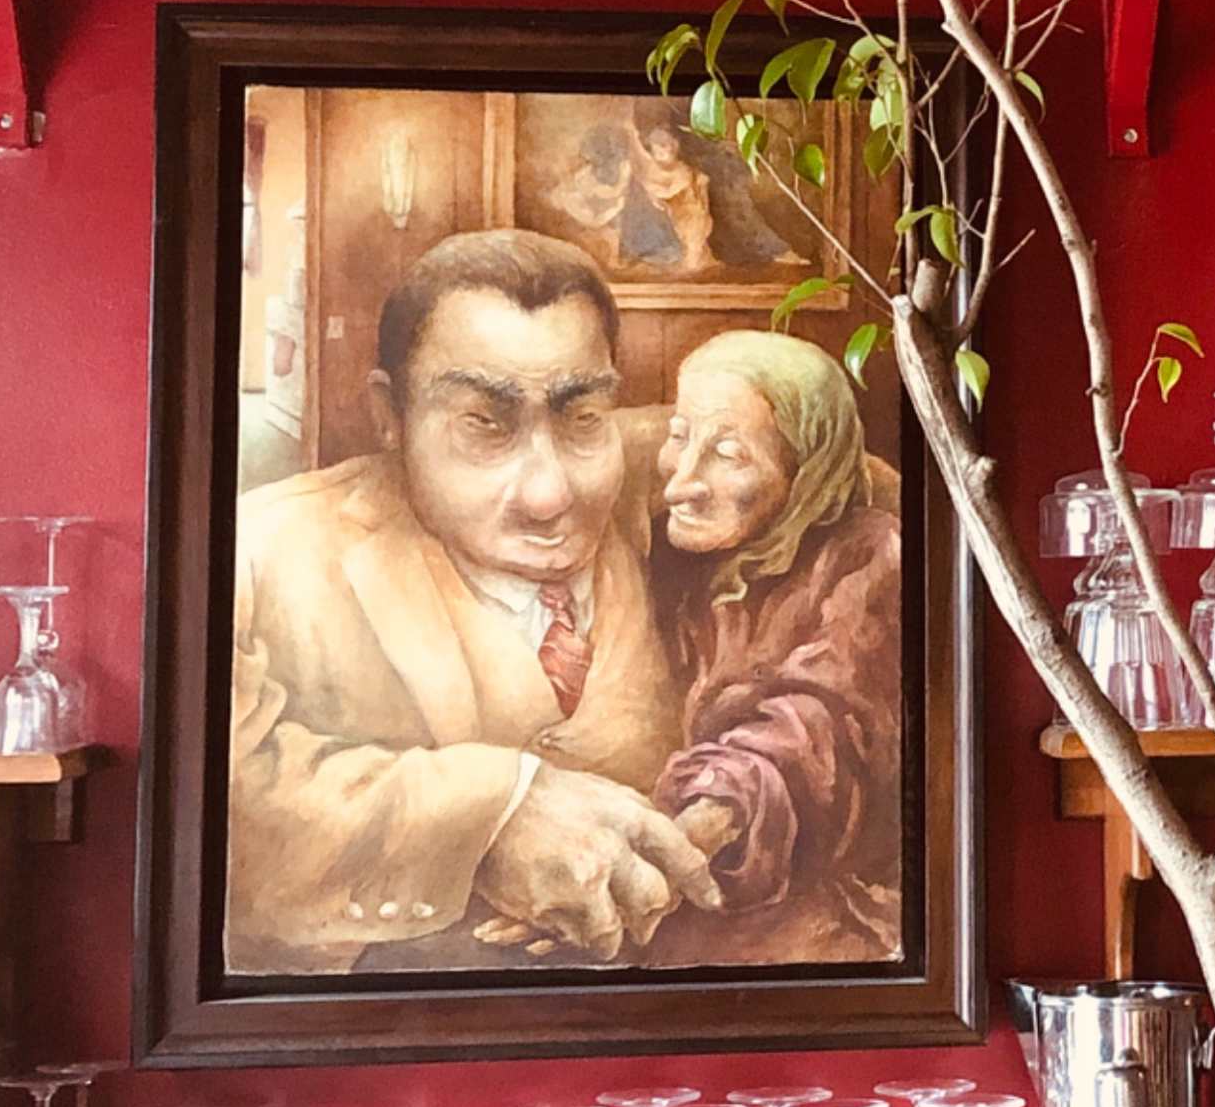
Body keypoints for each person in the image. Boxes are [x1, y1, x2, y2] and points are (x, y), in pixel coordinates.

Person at [225, 230, 718, 973]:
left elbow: (847, 482)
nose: (550, 493)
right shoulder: (256, 558)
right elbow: (217, 801)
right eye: (484, 425)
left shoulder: (674, 479)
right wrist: (493, 815)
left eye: (582, 418)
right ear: (391, 415)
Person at [640, 329, 907, 967]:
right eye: (679, 435)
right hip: (670, 874)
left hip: (805, 901)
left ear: (805, 468)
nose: (683, 481)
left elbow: (820, 724)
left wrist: (701, 825)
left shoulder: (871, 557)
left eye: (728, 452)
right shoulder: (667, 553)